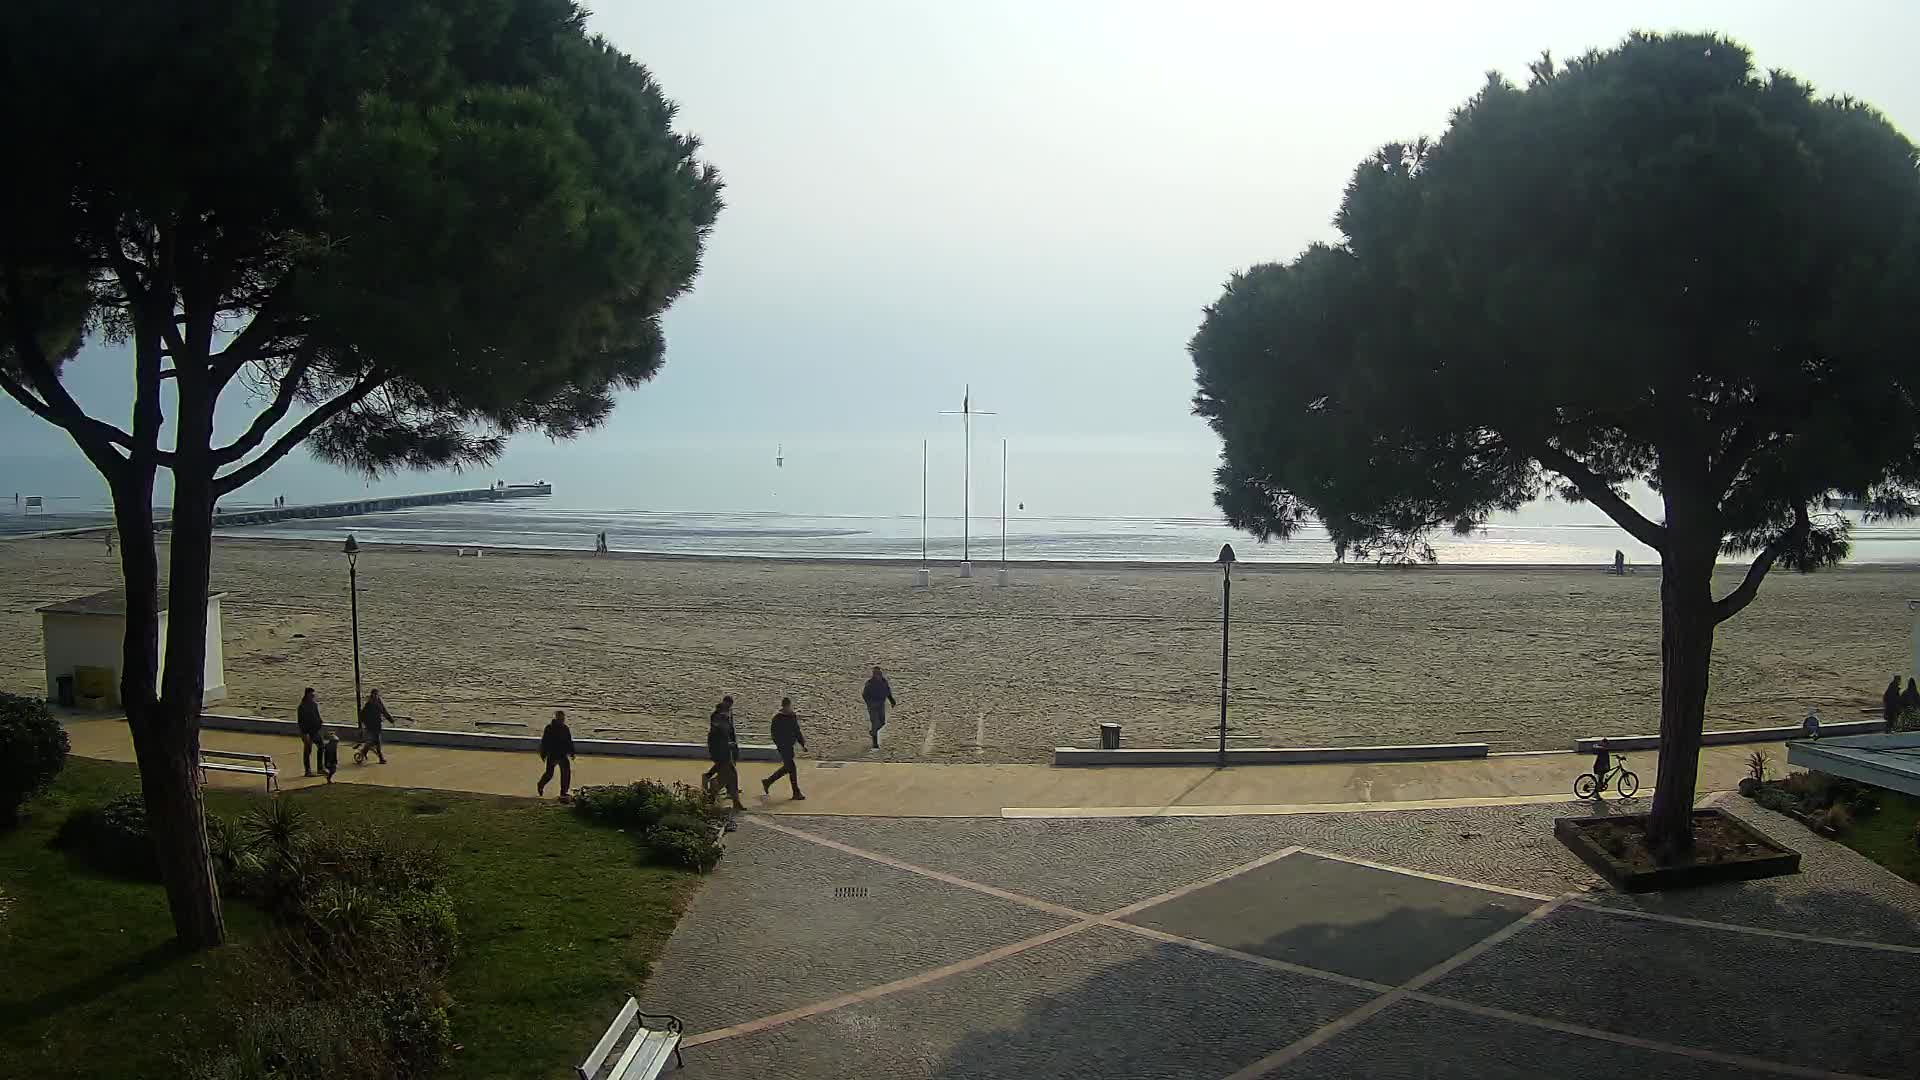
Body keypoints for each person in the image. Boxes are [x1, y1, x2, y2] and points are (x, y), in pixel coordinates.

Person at [762, 697, 807, 801]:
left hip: (789, 746)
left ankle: (768, 781)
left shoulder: (792, 716)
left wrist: (802, 744)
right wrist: (779, 744)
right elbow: (774, 733)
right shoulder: (778, 718)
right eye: (788, 706)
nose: (789, 708)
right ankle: (796, 792)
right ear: (784, 706)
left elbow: (797, 731)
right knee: (792, 768)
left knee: (788, 768)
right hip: (783, 747)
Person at [705, 698, 745, 811]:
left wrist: (732, 746)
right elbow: (718, 741)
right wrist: (729, 745)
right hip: (721, 754)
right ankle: (711, 793)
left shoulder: (723, 722)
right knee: (727, 776)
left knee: (732, 775)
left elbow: (730, 736)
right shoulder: (718, 724)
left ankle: (735, 801)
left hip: (726, 753)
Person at [537, 709, 576, 800]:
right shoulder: (549, 728)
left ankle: (563, 792)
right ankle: (541, 784)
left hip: (562, 754)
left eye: (563, 718)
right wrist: (543, 753)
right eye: (560, 717)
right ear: (556, 717)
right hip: (553, 754)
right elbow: (544, 742)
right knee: (549, 774)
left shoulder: (565, 728)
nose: (562, 719)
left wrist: (572, 752)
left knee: (566, 773)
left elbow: (569, 741)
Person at [861, 666, 896, 750]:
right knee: (875, 722)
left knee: (882, 722)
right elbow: (865, 695)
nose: (877, 675)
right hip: (873, 705)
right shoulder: (869, 683)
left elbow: (887, 691)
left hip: (881, 704)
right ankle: (875, 743)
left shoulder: (884, 682)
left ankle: (873, 732)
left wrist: (891, 700)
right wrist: (869, 703)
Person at [356, 689, 392, 764]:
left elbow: (384, 711)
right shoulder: (369, 704)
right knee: (377, 742)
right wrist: (364, 724)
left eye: (377, 695)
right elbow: (362, 715)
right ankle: (381, 758)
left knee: (372, 742)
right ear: (372, 695)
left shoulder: (379, 702)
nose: (376, 696)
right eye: (374, 695)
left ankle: (363, 752)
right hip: (371, 726)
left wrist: (390, 719)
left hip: (377, 726)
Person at [297, 687, 325, 777]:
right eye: (311, 695)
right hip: (306, 732)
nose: (313, 696)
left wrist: (320, 722)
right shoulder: (302, 707)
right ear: (307, 695)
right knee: (307, 750)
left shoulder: (314, 705)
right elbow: (301, 722)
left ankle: (320, 768)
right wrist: (304, 734)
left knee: (321, 746)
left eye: (313, 695)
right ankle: (307, 771)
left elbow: (317, 716)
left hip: (315, 731)